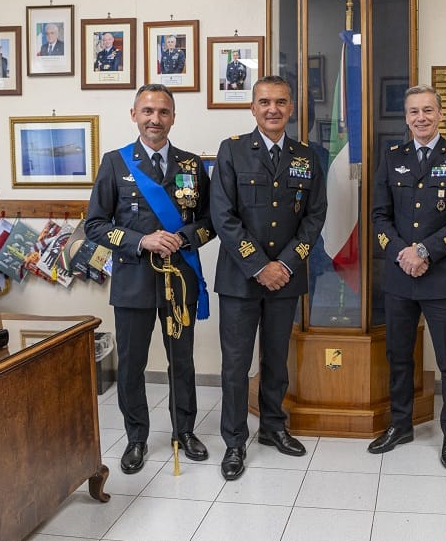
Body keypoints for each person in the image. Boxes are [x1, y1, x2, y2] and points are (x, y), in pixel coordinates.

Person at [85, 83, 215, 475]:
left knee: (182, 363)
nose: (155, 119)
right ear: (134, 115)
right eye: (147, 111)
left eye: (163, 112)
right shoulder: (115, 163)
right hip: (133, 283)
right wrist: (142, 240)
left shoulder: (192, 166)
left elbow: (210, 222)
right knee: (132, 367)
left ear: (173, 117)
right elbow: (94, 225)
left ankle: (185, 431)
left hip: (181, 283)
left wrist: (184, 238)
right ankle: (137, 438)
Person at [210, 75, 327, 481]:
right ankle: (234, 442)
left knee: (276, 361)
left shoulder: (307, 156)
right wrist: (260, 265)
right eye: (264, 102)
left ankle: (273, 427)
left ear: (292, 108)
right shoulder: (233, 151)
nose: (272, 109)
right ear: (253, 108)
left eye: (280, 102)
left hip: (286, 279)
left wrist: (287, 264)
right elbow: (223, 216)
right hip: (242, 279)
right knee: (236, 365)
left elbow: (314, 218)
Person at [367, 84, 446, 469]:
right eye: (414, 111)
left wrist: (425, 251)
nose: (421, 118)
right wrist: (403, 253)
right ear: (406, 117)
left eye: (428, 110)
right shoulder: (392, 156)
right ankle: (401, 425)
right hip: (400, 275)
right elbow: (379, 215)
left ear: (441, 114)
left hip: (443, 276)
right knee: (399, 355)